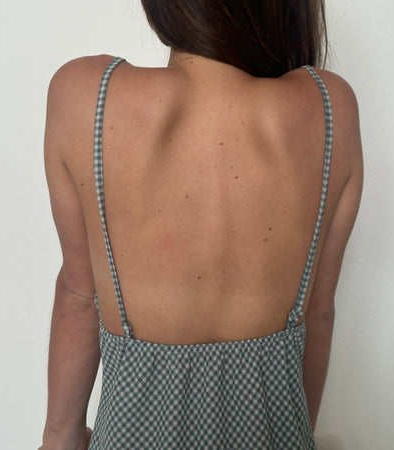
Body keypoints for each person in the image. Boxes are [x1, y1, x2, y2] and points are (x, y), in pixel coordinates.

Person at [40, 1, 362, 448]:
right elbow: (318, 314)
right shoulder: (330, 108)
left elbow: (78, 298)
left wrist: (60, 440)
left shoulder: (87, 95)